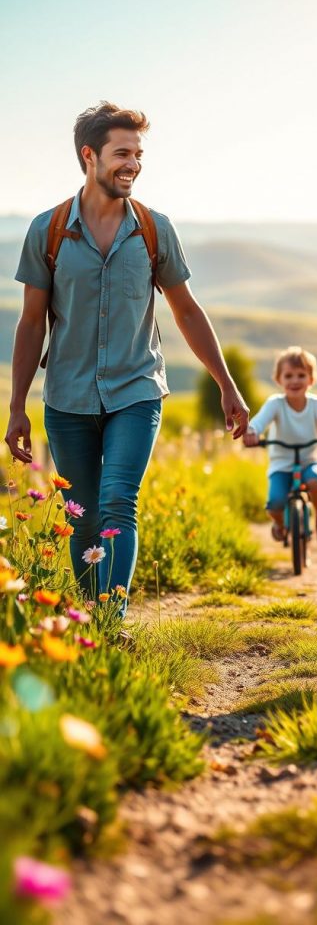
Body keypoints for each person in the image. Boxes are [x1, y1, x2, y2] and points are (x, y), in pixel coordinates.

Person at [5, 102, 249, 609]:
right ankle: (90, 617)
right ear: (88, 156)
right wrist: (15, 407)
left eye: (138, 154)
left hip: (136, 391)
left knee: (118, 503)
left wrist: (227, 385)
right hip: (67, 397)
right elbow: (30, 324)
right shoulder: (46, 231)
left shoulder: (154, 229)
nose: (132, 164)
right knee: (81, 515)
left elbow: (185, 310)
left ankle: (108, 625)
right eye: (122, 153)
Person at [243, 346, 317, 545]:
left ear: (311, 379)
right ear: (279, 379)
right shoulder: (275, 403)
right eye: (288, 375)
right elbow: (259, 422)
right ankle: (280, 524)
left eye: (301, 375)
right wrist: (252, 433)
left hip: (311, 459)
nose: (294, 381)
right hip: (281, 463)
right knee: (275, 504)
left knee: (316, 483)